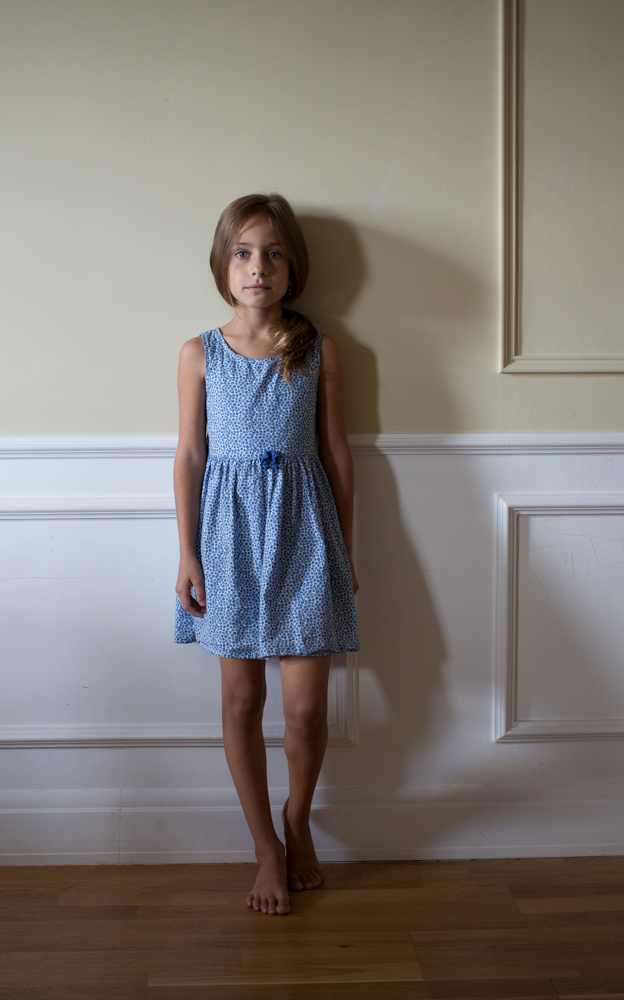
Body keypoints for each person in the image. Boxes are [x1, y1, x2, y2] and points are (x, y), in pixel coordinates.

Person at [174, 193, 360, 916]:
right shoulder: (200, 354)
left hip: (305, 536)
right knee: (242, 700)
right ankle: (263, 848)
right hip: (227, 540)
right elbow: (190, 456)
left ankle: (297, 820)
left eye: (274, 254)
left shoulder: (317, 350)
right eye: (244, 253)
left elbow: (337, 453)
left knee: (306, 711)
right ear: (223, 265)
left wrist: (344, 550)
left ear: (293, 269)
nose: (259, 267)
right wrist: (187, 553)